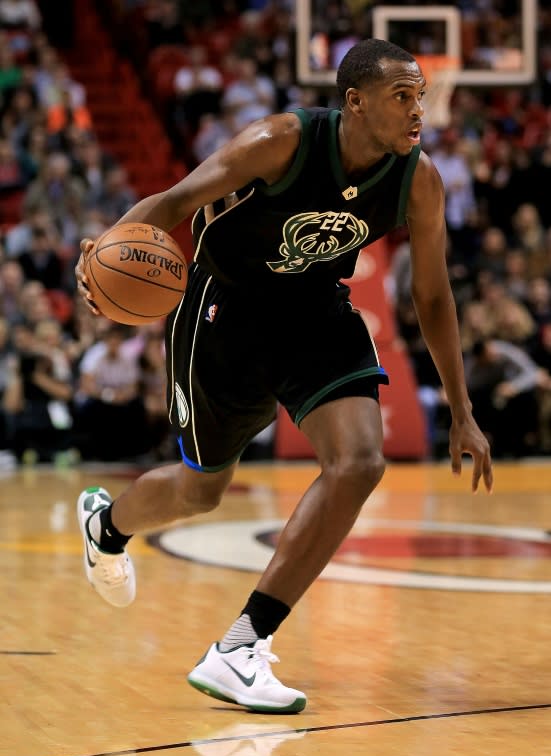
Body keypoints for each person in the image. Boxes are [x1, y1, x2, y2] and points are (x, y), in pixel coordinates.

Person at [74, 38, 493, 715]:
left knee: (359, 462)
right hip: (223, 312)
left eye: (420, 97)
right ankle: (107, 528)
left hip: (315, 315)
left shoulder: (418, 180)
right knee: (199, 492)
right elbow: (176, 201)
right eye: (402, 97)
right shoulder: (279, 141)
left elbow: (435, 299)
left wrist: (461, 408)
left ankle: (240, 646)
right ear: (354, 102)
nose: (419, 112)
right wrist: (101, 255)